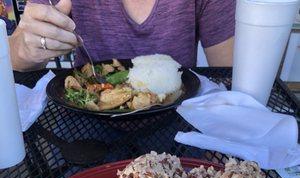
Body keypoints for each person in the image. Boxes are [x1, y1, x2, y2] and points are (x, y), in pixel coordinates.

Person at [9, 0, 235, 72]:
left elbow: (229, 76)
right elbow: (13, 57)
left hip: (180, 118)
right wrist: (27, 50)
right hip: (87, 121)